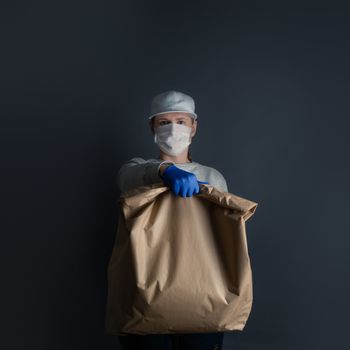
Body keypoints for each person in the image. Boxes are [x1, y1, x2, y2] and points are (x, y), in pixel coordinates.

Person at [116, 90, 227, 350]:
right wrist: (165, 170)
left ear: (194, 127)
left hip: (202, 293)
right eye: (164, 122)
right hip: (145, 294)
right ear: (152, 127)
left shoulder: (212, 177)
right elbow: (128, 177)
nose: (173, 129)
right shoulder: (137, 170)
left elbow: (223, 239)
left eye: (181, 121)